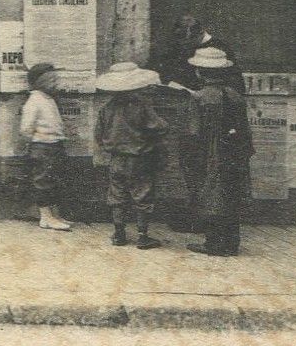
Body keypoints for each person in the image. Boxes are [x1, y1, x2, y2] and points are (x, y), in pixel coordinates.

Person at [183, 46, 253, 256]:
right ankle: (232, 244)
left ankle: (213, 243)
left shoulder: (199, 98)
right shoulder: (236, 96)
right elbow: (244, 130)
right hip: (234, 153)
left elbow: (194, 133)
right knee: (231, 195)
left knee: (210, 196)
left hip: (210, 154)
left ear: (200, 72)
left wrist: (189, 159)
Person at [94, 62, 170, 249]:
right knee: (142, 195)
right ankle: (143, 236)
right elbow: (160, 127)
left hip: (116, 159)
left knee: (117, 195)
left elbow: (99, 135)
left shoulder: (106, 109)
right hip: (140, 159)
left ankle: (119, 234)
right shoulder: (141, 106)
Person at [19, 62, 73, 231]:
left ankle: (53, 215)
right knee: (43, 182)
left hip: (54, 145)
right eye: (52, 80)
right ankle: (46, 217)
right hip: (43, 147)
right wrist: (40, 138)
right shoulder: (35, 101)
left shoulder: (47, 99)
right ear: (42, 82)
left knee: (54, 180)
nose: (56, 83)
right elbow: (26, 128)